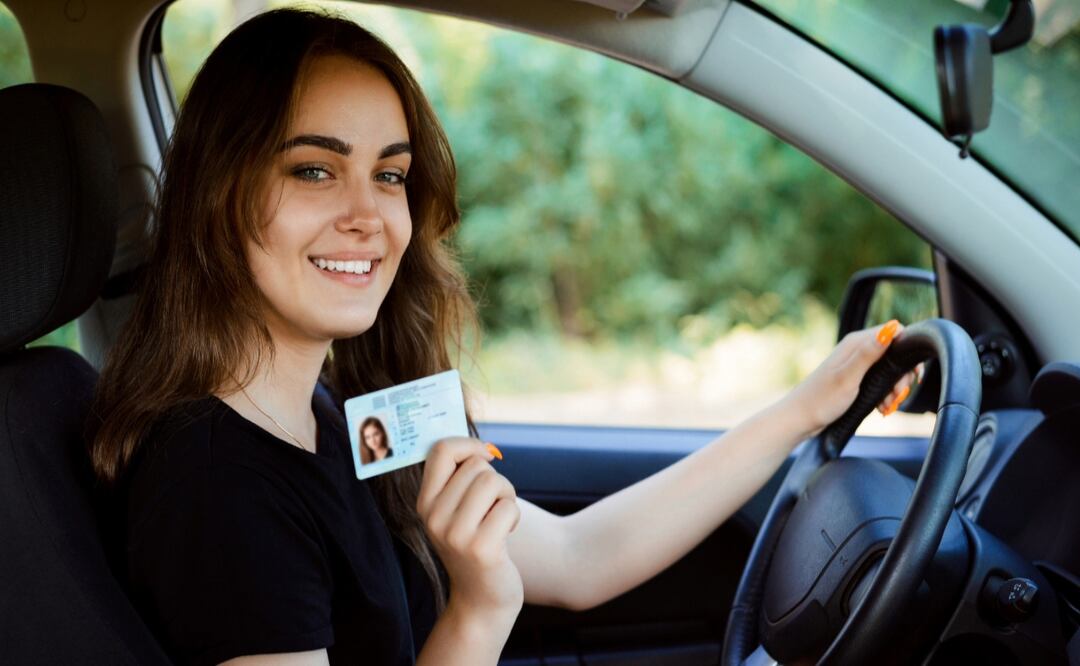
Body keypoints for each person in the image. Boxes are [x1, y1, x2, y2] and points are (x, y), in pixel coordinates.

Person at [88, 8, 918, 666]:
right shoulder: (215, 486)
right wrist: (481, 608)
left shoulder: (335, 415)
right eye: (313, 169)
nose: (368, 216)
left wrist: (805, 408)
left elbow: (581, 556)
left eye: (390, 174)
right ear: (216, 196)